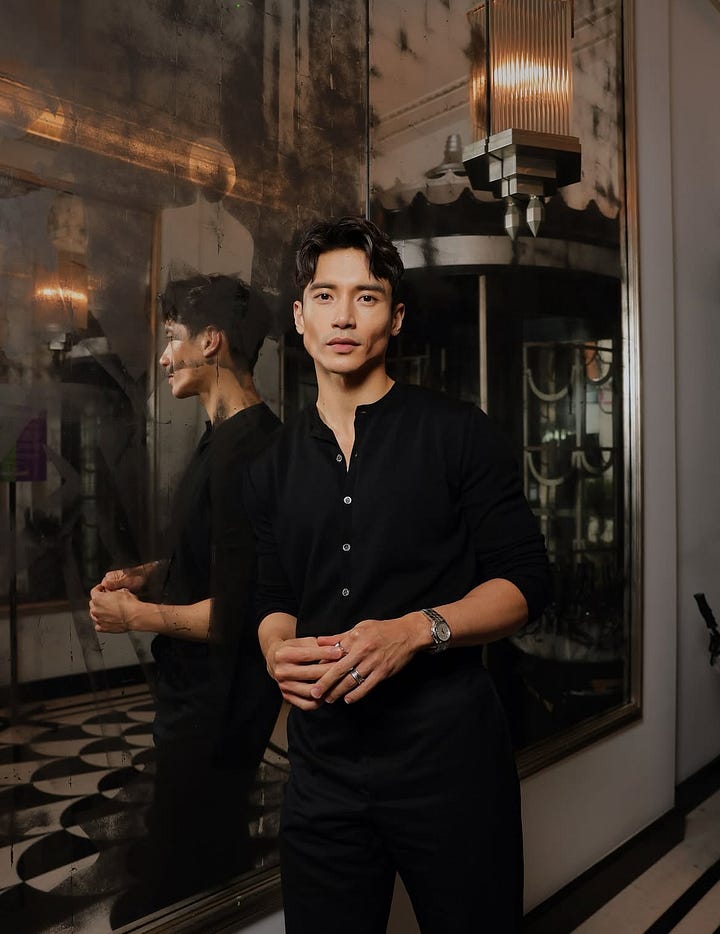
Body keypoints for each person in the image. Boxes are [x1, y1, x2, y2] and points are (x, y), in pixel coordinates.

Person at [243, 216, 552, 933]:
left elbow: (527, 582)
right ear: (300, 317)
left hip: (449, 760)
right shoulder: (269, 468)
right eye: (325, 296)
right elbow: (274, 595)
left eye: (367, 296)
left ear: (397, 317)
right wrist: (276, 648)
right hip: (321, 771)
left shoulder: (458, 432)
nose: (343, 317)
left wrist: (417, 631)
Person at [89, 273, 282, 916]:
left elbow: (232, 613)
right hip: (199, 699)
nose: (166, 357)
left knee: (185, 876)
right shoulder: (229, 435)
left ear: (212, 340)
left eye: (174, 338)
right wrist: (149, 573)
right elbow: (223, 556)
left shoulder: (245, 451)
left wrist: (132, 615)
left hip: (217, 704)